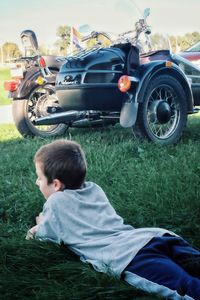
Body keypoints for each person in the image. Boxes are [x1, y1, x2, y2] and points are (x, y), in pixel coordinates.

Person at [27, 139, 200, 300]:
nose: (37, 182)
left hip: (128, 256)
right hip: (154, 237)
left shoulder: (55, 202)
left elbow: (43, 236)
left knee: (185, 287)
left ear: (56, 184)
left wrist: (38, 226)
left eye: (40, 178)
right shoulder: (94, 189)